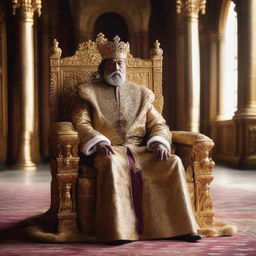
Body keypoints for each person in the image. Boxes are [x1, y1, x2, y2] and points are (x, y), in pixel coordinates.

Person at [72, 33, 202, 244]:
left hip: (142, 151)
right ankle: (118, 232)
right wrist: (99, 141)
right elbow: (81, 122)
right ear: (103, 67)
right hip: (109, 150)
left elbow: (158, 124)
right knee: (113, 163)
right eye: (112, 63)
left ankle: (182, 227)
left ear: (126, 66)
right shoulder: (88, 92)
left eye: (120, 64)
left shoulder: (142, 94)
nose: (116, 68)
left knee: (173, 161)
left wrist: (159, 142)